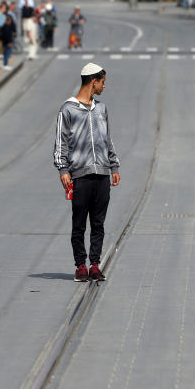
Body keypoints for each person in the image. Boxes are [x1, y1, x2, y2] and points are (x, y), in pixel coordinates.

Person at [53, 63, 121, 282]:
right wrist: (63, 169)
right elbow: (60, 142)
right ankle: (80, 265)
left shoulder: (101, 109)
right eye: (103, 82)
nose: (104, 87)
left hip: (102, 175)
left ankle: (94, 264)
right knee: (79, 223)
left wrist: (114, 165)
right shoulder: (68, 109)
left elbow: (107, 139)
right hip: (79, 175)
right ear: (94, 81)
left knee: (98, 223)